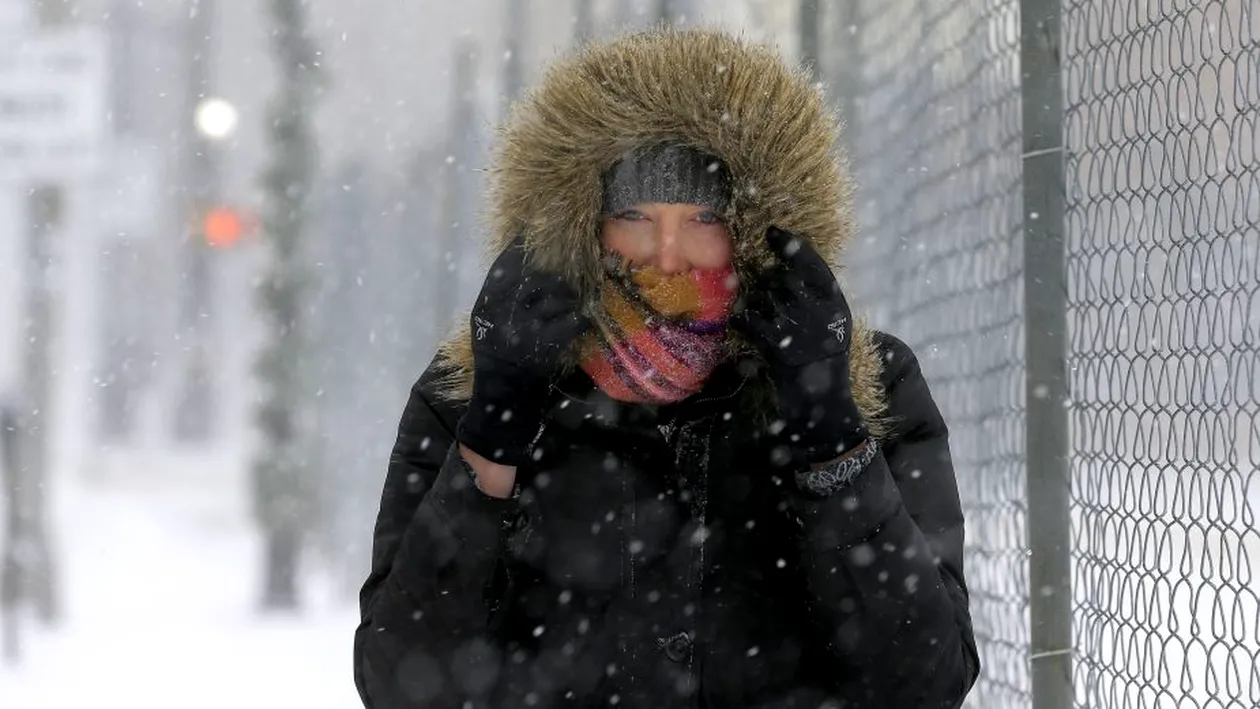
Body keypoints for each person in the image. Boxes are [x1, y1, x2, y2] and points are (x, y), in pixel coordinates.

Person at [354, 28, 979, 709]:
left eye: (704, 216)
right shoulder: (473, 390)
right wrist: (495, 433)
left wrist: (828, 429)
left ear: (757, 226)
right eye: (634, 215)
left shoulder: (871, 385)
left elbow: (923, 682)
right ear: (583, 225)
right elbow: (400, 685)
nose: (669, 256)